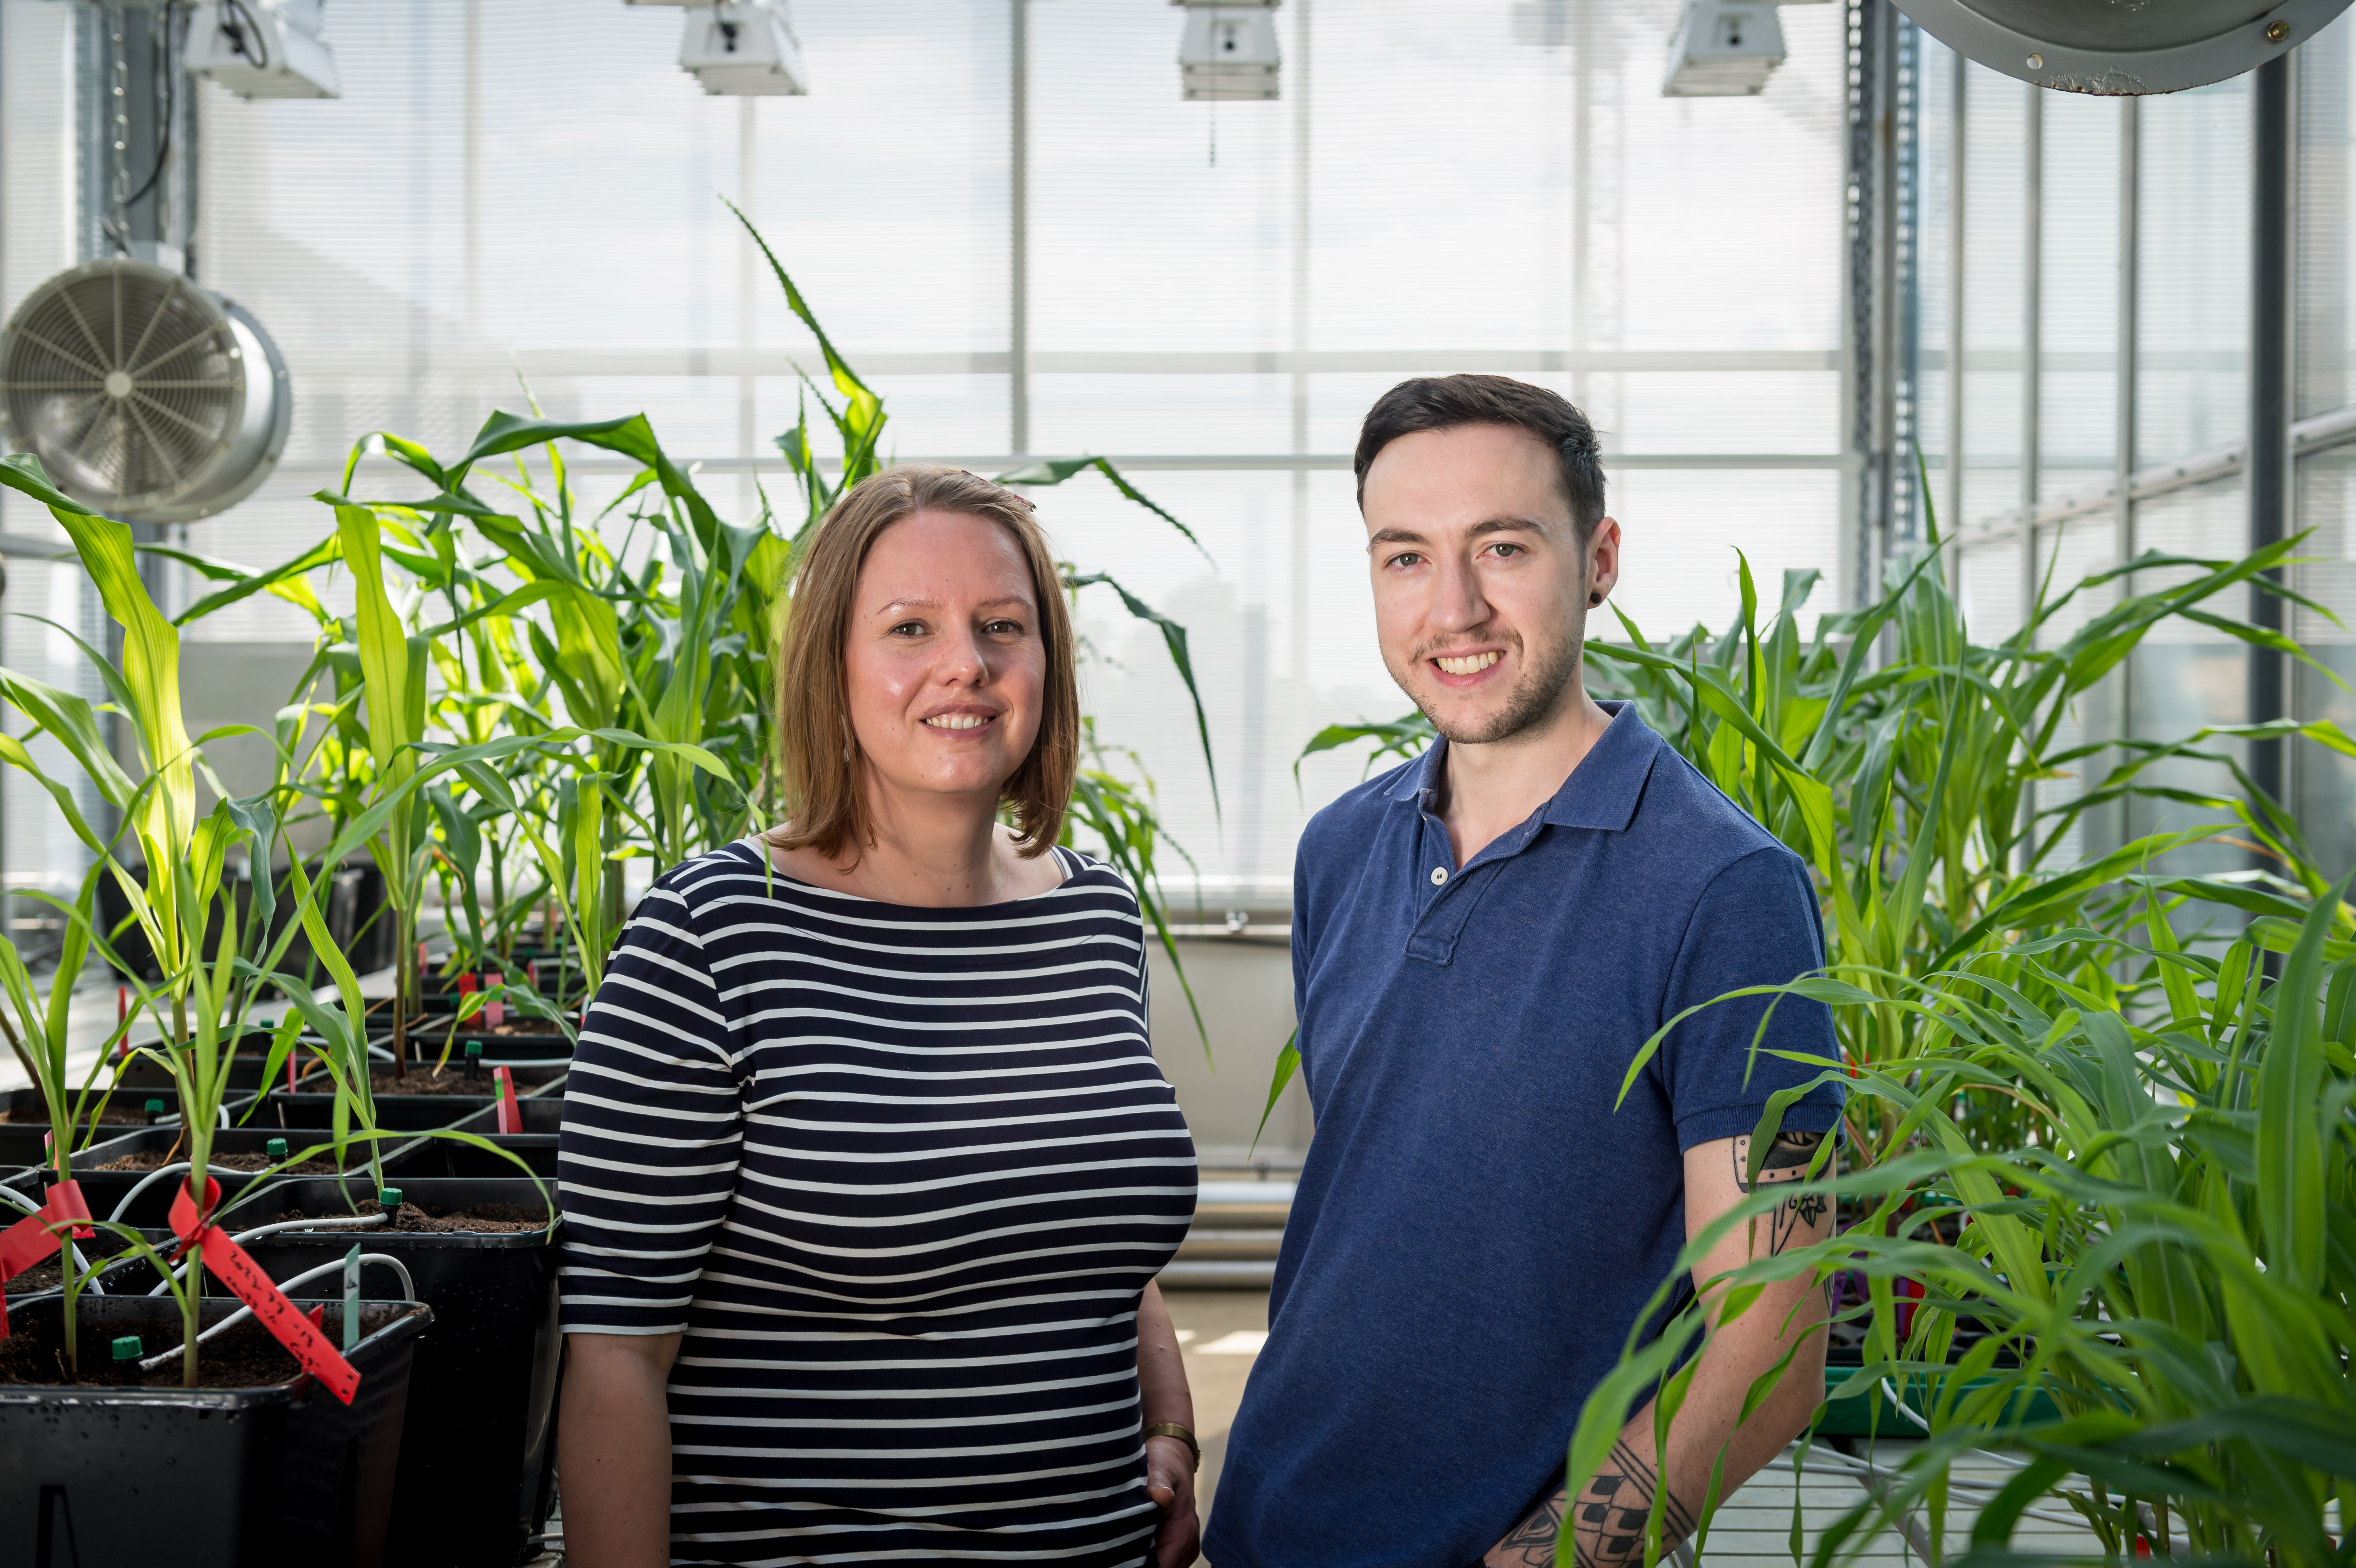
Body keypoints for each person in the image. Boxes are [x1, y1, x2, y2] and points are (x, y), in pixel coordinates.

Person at [1203, 376, 1845, 1568]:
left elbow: (1774, 1339)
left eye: (1501, 547)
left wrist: (1547, 1558)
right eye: (1404, 557)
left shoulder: (1725, 891)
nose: (1453, 607)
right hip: (1264, 1525)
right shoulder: (1340, 846)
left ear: (1598, 558)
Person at [553, 466, 1203, 1568]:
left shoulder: (1092, 911)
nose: (968, 662)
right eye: (911, 626)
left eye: (1004, 624)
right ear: (832, 666)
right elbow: (616, 1353)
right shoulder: (711, 932)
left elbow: (1096, 1232)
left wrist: (1171, 1426)